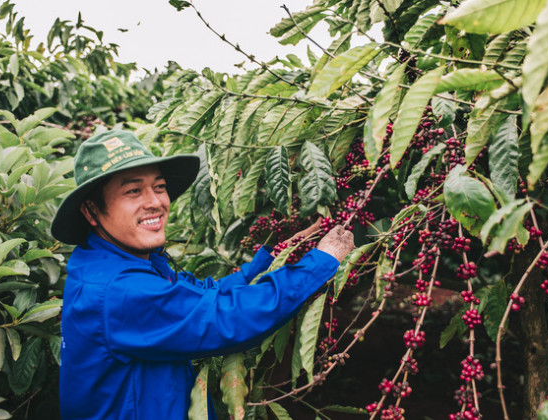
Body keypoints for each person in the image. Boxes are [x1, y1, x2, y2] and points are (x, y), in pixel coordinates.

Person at [51, 130, 355, 419]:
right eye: (133, 191)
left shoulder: (115, 263)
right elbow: (226, 317)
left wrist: (273, 258)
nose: (155, 201)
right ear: (91, 211)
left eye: (159, 187)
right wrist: (320, 263)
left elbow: (201, 297)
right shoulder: (120, 291)